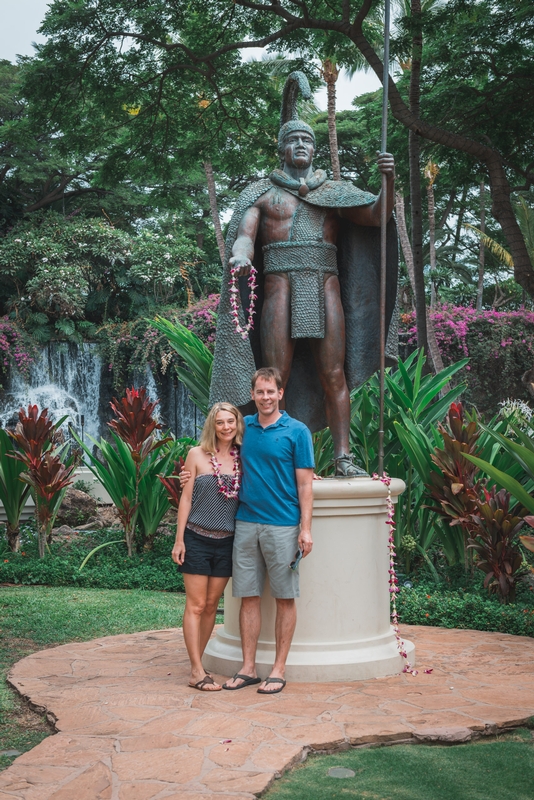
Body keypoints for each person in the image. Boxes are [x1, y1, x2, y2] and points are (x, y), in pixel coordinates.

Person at [209, 71, 398, 476]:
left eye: (307, 141)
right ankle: (267, 456)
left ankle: (343, 457)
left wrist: (388, 179)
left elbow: (378, 216)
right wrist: (241, 258)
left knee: (334, 372)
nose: (301, 145)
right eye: (293, 140)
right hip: (279, 287)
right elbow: (245, 236)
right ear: (281, 149)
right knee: (274, 379)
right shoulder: (262, 194)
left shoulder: (332, 192)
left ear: (315, 150)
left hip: (325, 286)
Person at [172, 402, 244, 692]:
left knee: (213, 604)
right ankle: (196, 671)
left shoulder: (243, 458)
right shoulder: (196, 455)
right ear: (212, 426)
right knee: (197, 604)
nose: (226, 427)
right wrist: (179, 540)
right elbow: (186, 499)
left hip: (227, 541)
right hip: (197, 537)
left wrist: (307, 477)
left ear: (238, 425)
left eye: (231, 421)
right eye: (220, 422)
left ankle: (197, 665)